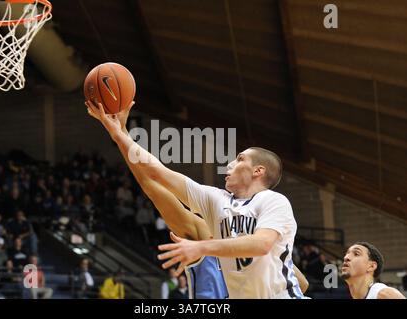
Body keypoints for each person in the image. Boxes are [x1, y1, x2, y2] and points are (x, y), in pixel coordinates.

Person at [86, 100, 305, 299]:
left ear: (258, 171)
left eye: (239, 159)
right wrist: (119, 134)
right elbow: (156, 172)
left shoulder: (273, 201)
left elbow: (262, 245)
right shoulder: (217, 201)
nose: (230, 164)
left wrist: (201, 248)